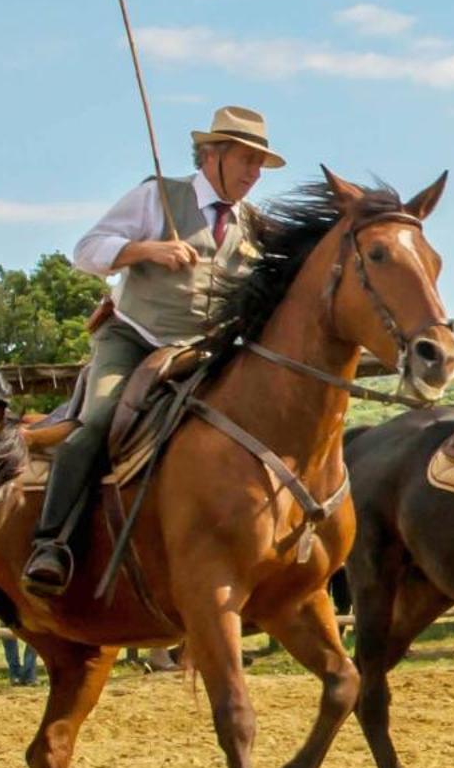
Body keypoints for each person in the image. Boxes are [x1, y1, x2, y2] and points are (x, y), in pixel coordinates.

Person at [23, 106, 284, 596]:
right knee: (99, 422)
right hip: (134, 341)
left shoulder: (253, 224)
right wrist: (145, 251)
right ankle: (50, 543)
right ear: (212, 155)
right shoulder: (159, 196)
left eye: (258, 164)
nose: (253, 174)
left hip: (204, 355)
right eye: (247, 160)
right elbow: (86, 250)